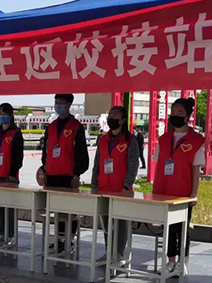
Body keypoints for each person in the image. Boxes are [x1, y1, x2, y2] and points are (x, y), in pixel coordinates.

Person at [152, 97, 205, 273]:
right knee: (168, 227)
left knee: (182, 228)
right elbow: (158, 165)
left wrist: (194, 193)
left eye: (180, 112)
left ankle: (182, 262)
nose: (175, 115)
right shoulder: (164, 139)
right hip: (164, 190)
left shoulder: (196, 140)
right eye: (173, 112)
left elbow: (196, 169)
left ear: (188, 116)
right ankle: (170, 261)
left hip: (183, 191)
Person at [38, 94, 89, 254]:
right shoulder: (51, 127)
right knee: (57, 211)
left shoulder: (76, 127)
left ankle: (70, 240)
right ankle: (59, 240)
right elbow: (46, 152)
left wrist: (77, 174)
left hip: (68, 176)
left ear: (69, 105)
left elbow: (82, 154)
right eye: (56, 102)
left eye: (61, 102)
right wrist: (44, 169)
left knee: (69, 211)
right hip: (52, 175)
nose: (58, 105)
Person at [91, 105, 139, 265]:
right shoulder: (103, 140)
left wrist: (127, 185)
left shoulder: (130, 141)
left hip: (121, 189)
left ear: (123, 120)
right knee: (106, 223)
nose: (111, 118)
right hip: (104, 187)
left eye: (115, 116)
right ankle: (108, 251)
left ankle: (119, 254)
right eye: (110, 115)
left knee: (120, 223)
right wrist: (94, 184)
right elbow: (97, 163)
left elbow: (133, 166)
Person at [0, 102, 24, 247]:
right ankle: (2, 234)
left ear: (11, 115)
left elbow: (18, 155)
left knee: (9, 208)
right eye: (0, 114)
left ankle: (11, 235)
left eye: (4, 114)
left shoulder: (16, 133)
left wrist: (13, 173)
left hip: (9, 176)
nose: (2, 117)